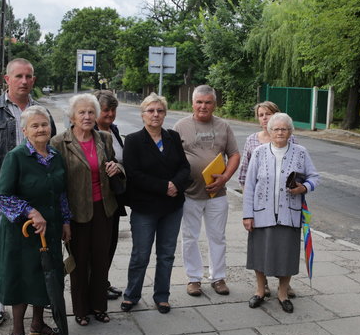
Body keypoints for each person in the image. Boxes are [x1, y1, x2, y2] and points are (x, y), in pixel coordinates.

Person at [0, 58, 56, 326]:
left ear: (34, 80)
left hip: (35, 194)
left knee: (30, 248)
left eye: (28, 76)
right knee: (0, 247)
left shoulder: (42, 112)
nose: (24, 81)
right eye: (18, 76)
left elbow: (50, 151)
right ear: (7, 79)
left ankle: (33, 297)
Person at [0, 106, 70, 335]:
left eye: (44, 125)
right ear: (24, 131)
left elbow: (62, 194)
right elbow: (3, 196)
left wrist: (66, 221)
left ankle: (38, 323)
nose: (41, 129)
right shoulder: (16, 157)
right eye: (34, 126)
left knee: (46, 275)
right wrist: (30, 211)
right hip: (22, 232)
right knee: (22, 277)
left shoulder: (55, 156)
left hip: (51, 228)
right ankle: (17, 330)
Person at [53, 94, 124, 326]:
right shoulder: (59, 143)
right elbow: (57, 185)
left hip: (104, 208)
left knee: (101, 260)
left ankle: (99, 307)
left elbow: (115, 164)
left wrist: (117, 167)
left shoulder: (104, 138)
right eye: (82, 112)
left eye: (91, 112)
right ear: (72, 116)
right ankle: (81, 310)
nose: (87, 116)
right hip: (76, 212)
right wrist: (63, 220)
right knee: (79, 262)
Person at [120, 94, 191, 314]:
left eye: (159, 110)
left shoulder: (172, 136)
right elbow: (133, 174)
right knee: (140, 254)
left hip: (172, 207)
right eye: (150, 110)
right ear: (142, 114)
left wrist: (175, 185)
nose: (155, 115)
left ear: (165, 113)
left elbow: (185, 168)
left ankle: (162, 296)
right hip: (145, 208)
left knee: (166, 254)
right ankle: (132, 295)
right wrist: (164, 186)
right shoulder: (133, 140)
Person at [242, 113, 319, 314]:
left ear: (290, 132)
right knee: (259, 254)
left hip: (289, 215)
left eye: (284, 129)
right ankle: (260, 291)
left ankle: (283, 294)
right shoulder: (259, 152)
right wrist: (247, 214)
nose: (280, 132)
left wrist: (304, 188)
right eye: (276, 129)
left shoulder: (300, 152)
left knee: (287, 255)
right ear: (269, 131)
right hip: (261, 214)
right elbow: (249, 185)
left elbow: (314, 177)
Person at [173, 85, 240, 297]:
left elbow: (235, 155)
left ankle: (218, 277)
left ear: (214, 104)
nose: (203, 106)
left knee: (217, 237)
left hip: (216, 194)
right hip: (189, 193)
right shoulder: (180, 126)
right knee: (189, 237)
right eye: (199, 102)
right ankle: (193, 279)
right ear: (192, 104)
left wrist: (226, 177)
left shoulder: (223, 126)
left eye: (208, 102)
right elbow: (171, 159)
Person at [237, 101, 297, 299]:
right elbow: (245, 176)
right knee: (260, 246)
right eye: (261, 114)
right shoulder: (253, 141)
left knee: (284, 245)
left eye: (268, 114)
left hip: (284, 205)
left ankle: (284, 287)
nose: (265, 118)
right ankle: (262, 287)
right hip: (260, 205)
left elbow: (300, 171)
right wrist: (250, 206)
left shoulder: (290, 139)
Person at [94, 89, 126, 300]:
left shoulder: (113, 130)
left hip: (115, 198)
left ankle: (102, 282)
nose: (110, 115)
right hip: (97, 199)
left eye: (113, 110)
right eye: (106, 111)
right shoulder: (90, 132)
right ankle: (95, 286)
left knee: (110, 243)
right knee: (97, 245)